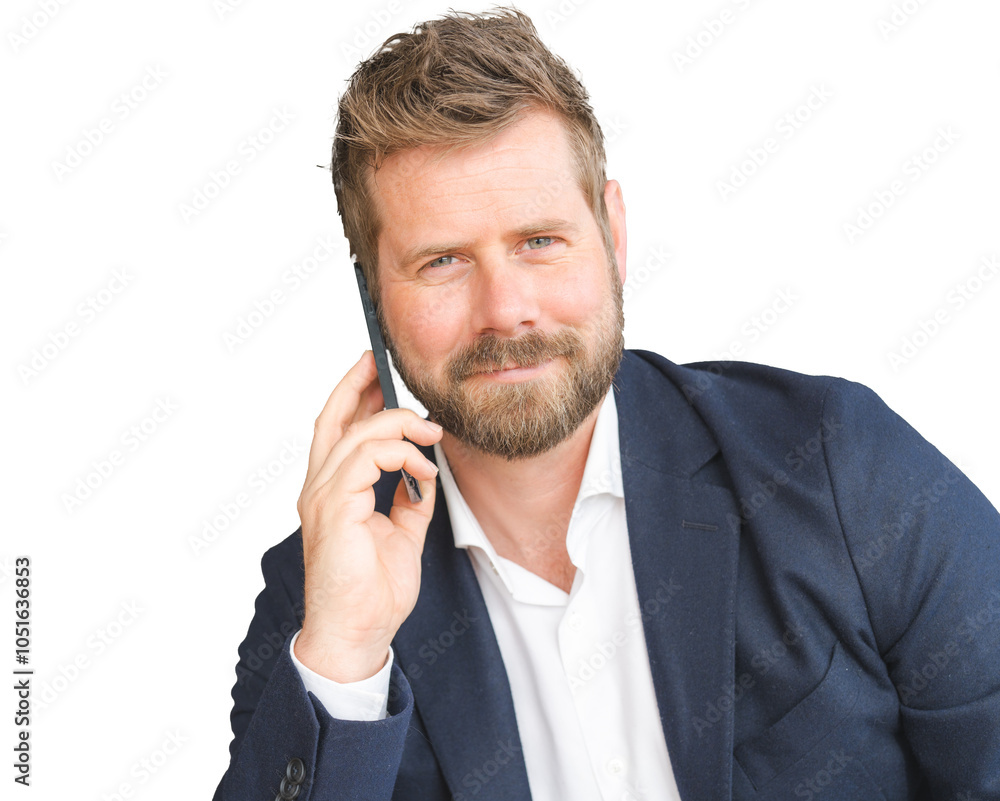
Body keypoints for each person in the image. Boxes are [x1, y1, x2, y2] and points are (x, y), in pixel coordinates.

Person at [214, 9, 1000, 801]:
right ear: (374, 301)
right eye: (443, 260)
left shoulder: (837, 465)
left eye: (540, 241)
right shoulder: (317, 597)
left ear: (612, 234)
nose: (506, 308)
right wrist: (347, 655)